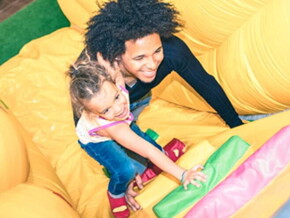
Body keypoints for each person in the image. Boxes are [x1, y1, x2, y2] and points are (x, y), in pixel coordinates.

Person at [67, 57, 207, 218]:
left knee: (154, 149)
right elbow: (146, 150)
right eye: (106, 110)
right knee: (126, 169)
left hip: (121, 124)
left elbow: (114, 70)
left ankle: (152, 166)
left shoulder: (114, 88)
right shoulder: (115, 127)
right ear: (93, 114)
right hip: (98, 140)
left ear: (115, 84)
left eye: (117, 97)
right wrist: (183, 174)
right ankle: (117, 193)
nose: (118, 108)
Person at [83, 0, 244, 128]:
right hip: (106, 111)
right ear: (117, 57)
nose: (152, 64)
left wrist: (236, 124)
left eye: (157, 51)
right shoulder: (93, 75)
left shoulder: (172, 51)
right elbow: (86, 127)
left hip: (140, 97)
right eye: (140, 58)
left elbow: (206, 85)